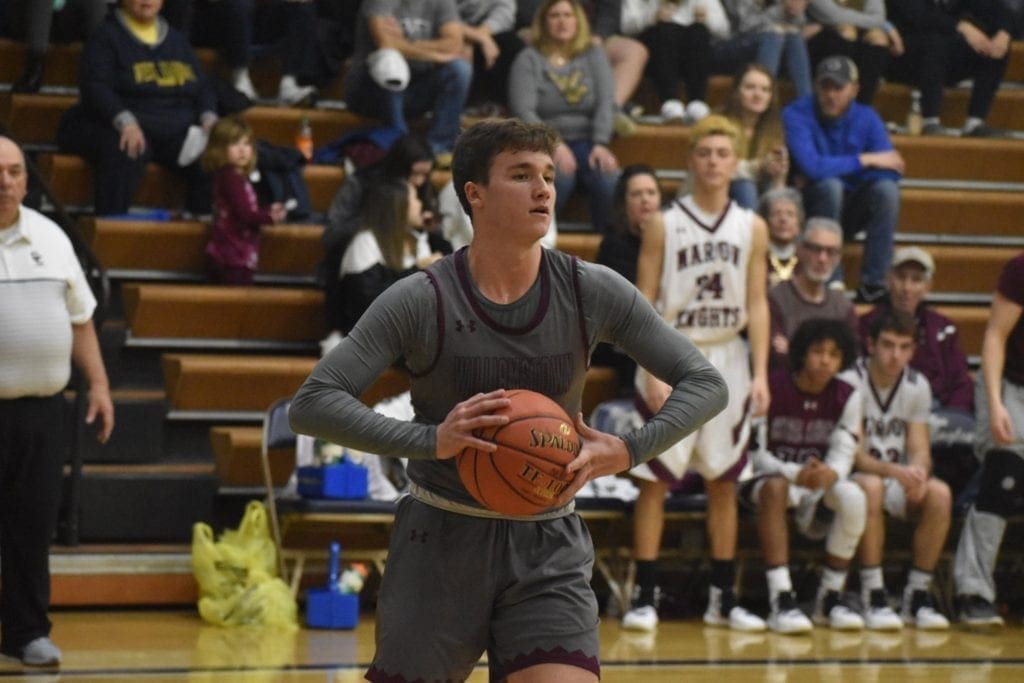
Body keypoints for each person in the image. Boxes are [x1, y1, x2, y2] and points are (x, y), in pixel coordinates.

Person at [288, 118, 728, 680]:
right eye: (521, 175)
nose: (544, 189)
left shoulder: (590, 288)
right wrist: (430, 441)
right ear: (474, 193)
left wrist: (628, 450)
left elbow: (705, 382)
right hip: (440, 541)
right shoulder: (421, 299)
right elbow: (314, 401)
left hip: (548, 542)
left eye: (547, 175)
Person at [622, 115, 769, 633]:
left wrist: (762, 372)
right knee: (654, 483)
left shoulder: (753, 226)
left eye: (722, 153)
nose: (712, 161)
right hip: (672, 352)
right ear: (690, 160)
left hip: (729, 354)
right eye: (704, 152)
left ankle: (724, 599)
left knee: (725, 482)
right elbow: (641, 304)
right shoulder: (664, 222)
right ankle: (643, 595)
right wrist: (651, 367)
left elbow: (758, 300)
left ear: (736, 162)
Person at [0, 136, 115, 667]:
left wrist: (99, 384)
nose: (6, 181)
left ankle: (26, 633)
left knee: (32, 524)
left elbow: (80, 319)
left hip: (42, 412)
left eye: (16, 171)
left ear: (26, 179)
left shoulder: (53, 237)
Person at [744, 318, 865, 633]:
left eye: (834, 354)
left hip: (813, 483)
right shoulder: (770, 387)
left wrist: (830, 473)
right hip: (764, 480)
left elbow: (844, 451)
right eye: (818, 351)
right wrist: (795, 473)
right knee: (775, 487)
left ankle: (830, 596)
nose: (826, 360)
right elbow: (754, 455)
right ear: (801, 353)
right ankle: (781, 597)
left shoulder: (848, 395)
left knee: (854, 496)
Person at [841, 309, 952, 631]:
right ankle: (873, 592)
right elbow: (856, 456)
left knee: (940, 494)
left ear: (914, 350)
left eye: (904, 347)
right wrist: (896, 472)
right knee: (872, 486)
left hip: (893, 476)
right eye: (888, 345)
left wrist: (918, 473)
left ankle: (916, 595)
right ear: (870, 344)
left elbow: (919, 448)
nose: (895, 355)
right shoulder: (850, 381)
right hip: (853, 476)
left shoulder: (918, 385)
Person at [55, 0, 218, 217]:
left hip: (175, 128)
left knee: (215, 151)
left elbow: (203, 87)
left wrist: (209, 118)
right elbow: (95, 86)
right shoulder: (105, 36)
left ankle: (200, 228)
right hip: (127, 125)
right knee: (126, 149)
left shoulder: (178, 40)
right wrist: (125, 121)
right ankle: (110, 231)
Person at [857, 247, 977, 501]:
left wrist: (951, 419)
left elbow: (961, 382)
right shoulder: (868, 325)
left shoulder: (944, 328)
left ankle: (959, 503)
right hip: (883, 411)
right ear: (888, 279)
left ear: (928, 287)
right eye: (901, 278)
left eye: (916, 280)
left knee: (970, 435)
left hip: (937, 413)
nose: (907, 287)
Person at [783, 54, 903, 303]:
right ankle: (831, 280)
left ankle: (873, 284)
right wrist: (865, 160)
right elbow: (812, 166)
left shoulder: (867, 117)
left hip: (850, 208)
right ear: (815, 86)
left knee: (886, 191)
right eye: (824, 86)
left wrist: (828, 168)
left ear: (854, 90)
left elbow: (891, 168)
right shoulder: (796, 113)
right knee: (830, 186)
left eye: (838, 87)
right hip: (811, 208)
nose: (830, 94)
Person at [953, 251, 1024, 627]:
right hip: (1009, 384)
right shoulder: (1020, 268)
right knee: (1005, 473)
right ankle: (973, 592)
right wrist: (995, 404)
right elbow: (995, 336)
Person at [508, 0, 621, 233]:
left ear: (578, 20)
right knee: (558, 179)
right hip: (543, 144)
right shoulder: (528, 58)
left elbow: (605, 102)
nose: (562, 21)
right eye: (555, 15)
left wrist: (601, 142)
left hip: (589, 140)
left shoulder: (594, 55)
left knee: (609, 178)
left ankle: (607, 248)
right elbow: (523, 110)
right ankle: (540, 242)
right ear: (543, 22)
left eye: (568, 15)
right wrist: (554, 143)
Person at [321, 135, 440, 337]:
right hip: (357, 278)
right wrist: (384, 217)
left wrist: (427, 228)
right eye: (414, 174)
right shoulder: (365, 185)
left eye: (425, 175)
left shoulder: (424, 194)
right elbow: (332, 235)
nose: (419, 182)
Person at [342, 0, 471, 168]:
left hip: (415, 91)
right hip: (371, 91)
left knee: (460, 69)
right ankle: (399, 143)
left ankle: (438, 147)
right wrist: (436, 54)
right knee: (390, 61)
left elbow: (455, 43)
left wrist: (406, 44)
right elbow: (386, 44)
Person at [885, 0, 1013, 137]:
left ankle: (975, 123)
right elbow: (919, 17)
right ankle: (930, 121)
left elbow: (996, 9)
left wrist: (1004, 32)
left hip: (943, 56)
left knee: (996, 49)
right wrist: (961, 26)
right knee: (935, 42)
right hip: (902, 55)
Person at [336, 178, 443, 333]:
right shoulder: (366, 242)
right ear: (398, 205)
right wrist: (418, 271)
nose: (420, 204)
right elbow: (366, 301)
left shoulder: (415, 240)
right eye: (414, 198)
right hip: (368, 339)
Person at [592, 163, 662, 393]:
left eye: (651, 193)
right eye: (637, 194)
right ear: (624, 203)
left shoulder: (675, 238)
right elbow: (628, 302)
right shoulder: (613, 244)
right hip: (619, 337)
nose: (645, 200)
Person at [199, 115, 287, 285]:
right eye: (235, 144)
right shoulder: (231, 178)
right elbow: (246, 215)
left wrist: (267, 210)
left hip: (228, 254)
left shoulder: (233, 176)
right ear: (219, 149)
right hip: (232, 259)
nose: (242, 150)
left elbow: (243, 209)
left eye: (246, 144)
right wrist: (270, 217)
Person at [768, 217, 858, 370]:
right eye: (816, 249)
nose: (823, 259)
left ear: (839, 257)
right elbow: (776, 358)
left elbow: (850, 360)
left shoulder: (843, 307)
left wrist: (793, 349)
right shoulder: (775, 298)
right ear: (800, 249)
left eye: (831, 252)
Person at [190, 0, 320, 105]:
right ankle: (240, 79)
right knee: (239, 4)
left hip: (259, 18)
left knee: (302, 6)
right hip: (220, 19)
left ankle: (289, 83)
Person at [619, 0, 728, 123]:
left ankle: (697, 103)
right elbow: (625, 26)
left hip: (691, 55)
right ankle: (670, 103)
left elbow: (724, 30)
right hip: (655, 54)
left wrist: (706, 19)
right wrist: (651, 17)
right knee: (665, 31)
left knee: (699, 31)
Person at [805, 0, 903, 104]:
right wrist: (876, 22)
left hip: (859, 31)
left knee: (878, 39)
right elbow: (832, 16)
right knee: (847, 33)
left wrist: (880, 24)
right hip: (820, 32)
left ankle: (861, 106)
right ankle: (834, 103)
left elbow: (879, 18)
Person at [720, 63, 789, 209]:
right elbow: (720, 167)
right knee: (745, 186)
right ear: (736, 92)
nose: (758, 95)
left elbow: (778, 186)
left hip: (759, 193)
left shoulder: (775, 129)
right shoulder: (718, 124)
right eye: (750, 87)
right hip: (720, 193)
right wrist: (759, 167)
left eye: (765, 90)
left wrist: (778, 173)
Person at [5, 0, 108, 93]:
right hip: (26, 17)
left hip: (63, 21)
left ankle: (103, 74)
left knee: (94, 3)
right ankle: (34, 70)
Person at [717, 0, 814, 97]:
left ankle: (805, 102)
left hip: (769, 44)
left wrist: (795, 11)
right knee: (773, 36)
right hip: (727, 45)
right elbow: (745, 26)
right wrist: (782, 10)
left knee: (794, 36)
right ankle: (765, 100)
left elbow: (798, 27)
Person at [455, 0, 525, 110]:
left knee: (511, 44)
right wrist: (472, 37)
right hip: (442, 35)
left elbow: (504, 11)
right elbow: (439, 18)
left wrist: (481, 36)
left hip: (486, 33)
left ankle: (502, 109)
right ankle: (461, 110)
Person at [759, 187, 804, 287]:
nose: (783, 219)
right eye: (776, 214)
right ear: (765, 222)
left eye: (790, 214)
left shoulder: (805, 259)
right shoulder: (757, 258)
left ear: (799, 224)